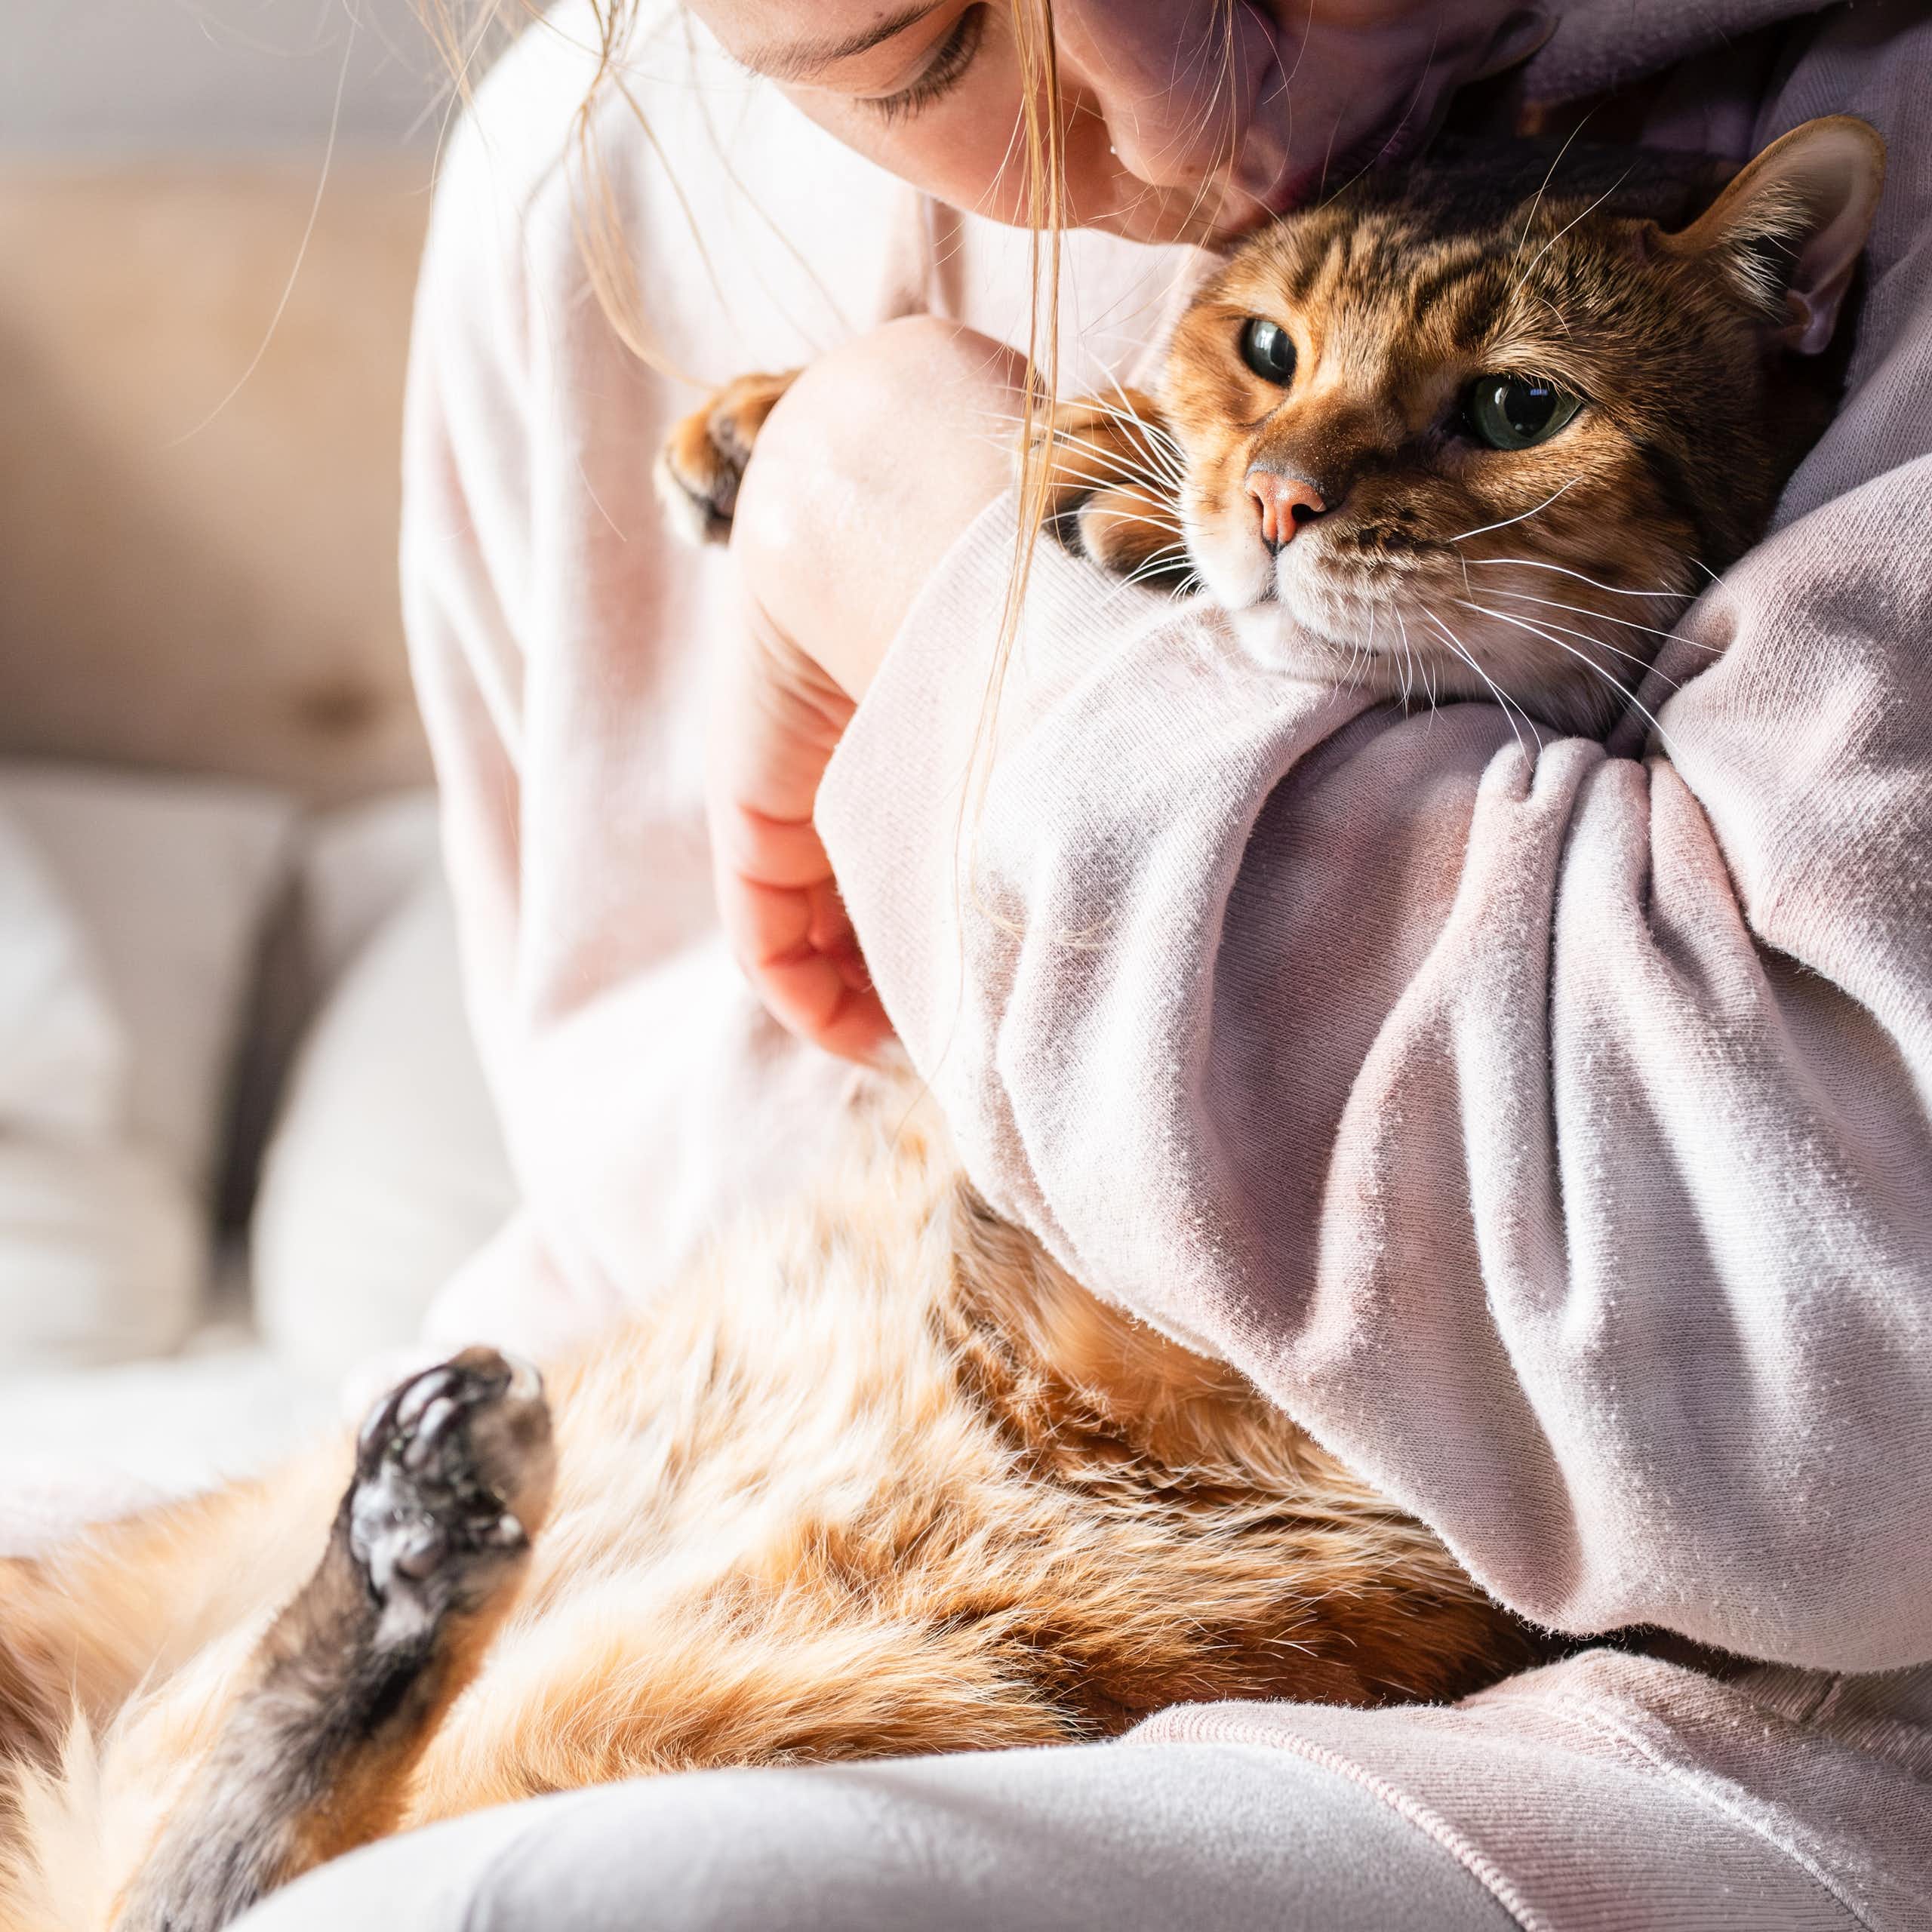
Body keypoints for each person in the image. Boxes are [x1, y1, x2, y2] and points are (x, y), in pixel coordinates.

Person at [254, 2, 1932, 1924]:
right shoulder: (583, 202)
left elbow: (1824, 1394)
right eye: (918, 46)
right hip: (716, 1458)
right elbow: (639, 1206)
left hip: (1599, 1717)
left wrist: (927, 526)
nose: (1167, 100)